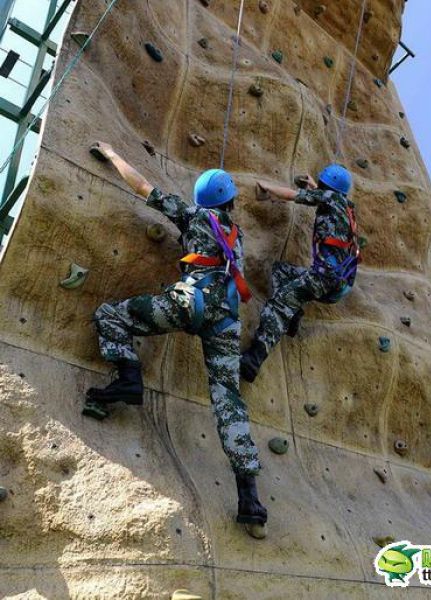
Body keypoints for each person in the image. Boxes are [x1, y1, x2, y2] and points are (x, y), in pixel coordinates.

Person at [83, 142, 267, 531]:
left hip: (190, 301)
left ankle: (129, 378)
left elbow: (143, 187)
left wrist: (113, 153)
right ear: (231, 200)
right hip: (226, 322)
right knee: (228, 403)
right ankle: (249, 498)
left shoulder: (193, 215)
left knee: (110, 316)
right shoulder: (238, 235)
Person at [241, 164, 360, 383]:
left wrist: (267, 187)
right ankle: (293, 317)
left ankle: (253, 360)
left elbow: (293, 196)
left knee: (278, 306)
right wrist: (315, 188)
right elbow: (324, 199)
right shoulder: (346, 208)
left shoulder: (329, 199)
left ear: (326, 186)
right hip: (340, 285)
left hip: (323, 278)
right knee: (281, 271)